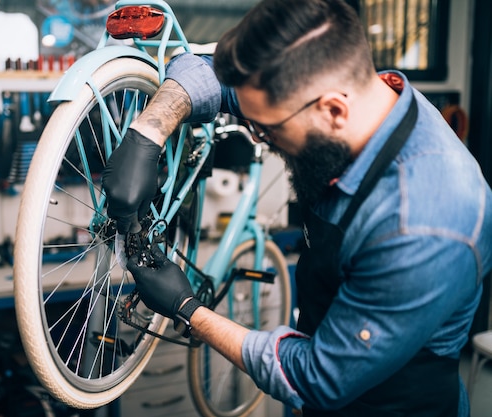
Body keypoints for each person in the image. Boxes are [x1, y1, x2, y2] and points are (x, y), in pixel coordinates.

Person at [101, 0, 492, 415]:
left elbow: (317, 377)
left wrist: (188, 310)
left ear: (333, 111)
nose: (257, 138)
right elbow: (207, 71)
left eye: (267, 129)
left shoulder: (426, 224)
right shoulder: (347, 92)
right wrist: (148, 132)